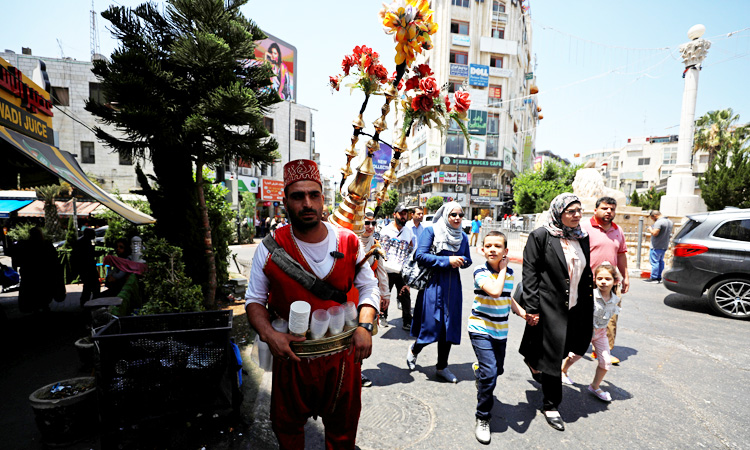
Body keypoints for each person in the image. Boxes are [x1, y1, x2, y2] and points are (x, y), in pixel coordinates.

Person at [244, 159, 379, 449]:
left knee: (343, 434)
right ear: (286, 202)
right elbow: (254, 301)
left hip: (343, 359)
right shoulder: (268, 249)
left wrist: (365, 326)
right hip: (291, 358)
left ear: (322, 199)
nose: (307, 203)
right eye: (298, 196)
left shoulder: (349, 241)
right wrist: (270, 336)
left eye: (313, 195)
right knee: (287, 431)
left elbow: (369, 286)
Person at [519, 193, 593, 431]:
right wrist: (532, 307)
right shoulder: (541, 236)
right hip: (548, 305)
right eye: (571, 211)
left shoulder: (582, 238)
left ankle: (532, 359)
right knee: (553, 356)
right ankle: (551, 405)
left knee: (568, 347)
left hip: (575, 306)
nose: (577, 215)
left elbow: (583, 272)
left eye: (579, 210)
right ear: (558, 212)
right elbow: (530, 273)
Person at [469, 231, 527, 444]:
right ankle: (482, 417)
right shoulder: (480, 270)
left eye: (497, 246)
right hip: (480, 327)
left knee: (496, 370)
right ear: (482, 250)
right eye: (488, 246)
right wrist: (502, 270)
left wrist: (521, 312)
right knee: (491, 372)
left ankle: (479, 371)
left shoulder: (509, 273)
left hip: (500, 331)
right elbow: (494, 290)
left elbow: (506, 295)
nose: (493, 249)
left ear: (505, 251)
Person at [406, 201, 472, 383]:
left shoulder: (463, 237)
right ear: (446, 215)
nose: (457, 218)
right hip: (433, 284)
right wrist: (447, 261)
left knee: (448, 328)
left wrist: (462, 261)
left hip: (453, 286)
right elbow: (421, 255)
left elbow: (468, 259)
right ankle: (415, 349)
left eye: (460, 215)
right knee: (431, 326)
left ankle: (442, 366)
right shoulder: (432, 231)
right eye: (453, 215)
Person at [561, 262, 620, 402]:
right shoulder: (590, 295)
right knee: (575, 355)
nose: (603, 282)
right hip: (584, 332)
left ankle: (595, 386)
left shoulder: (615, 299)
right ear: (595, 279)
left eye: (607, 279)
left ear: (615, 281)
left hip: (600, 334)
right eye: (600, 279)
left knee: (606, 362)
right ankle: (563, 371)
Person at [580, 197, 629, 365]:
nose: (609, 211)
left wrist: (625, 276)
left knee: (610, 317)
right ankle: (575, 344)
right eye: (605, 208)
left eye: (612, 209)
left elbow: (621, 254)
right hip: (587, 282)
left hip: (610, 283)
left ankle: (603, 351)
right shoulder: (584, 228)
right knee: (582, 315)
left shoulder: (618, 231)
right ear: (595, 210)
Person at [358, 210, 391, 387]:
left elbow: (381, 271)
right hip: (347, 297)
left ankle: (358, 372)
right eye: (366, 222)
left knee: (364, 335)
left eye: (373, 223)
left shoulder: (376, 245)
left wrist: (385, 294)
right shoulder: (348, 241)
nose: (370, 227)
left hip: (367, 298)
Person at [380, 204, 416, 331]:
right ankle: (383, 316)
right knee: (385, 293)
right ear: (394, 214)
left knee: (405, 295)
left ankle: (407, 321)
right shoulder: (386, 230)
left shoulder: (408, 231)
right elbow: (381, 250)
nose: (403, 217)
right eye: (401, 214)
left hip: (402, 271)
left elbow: (411, 247)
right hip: (387, 270)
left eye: (405, 214)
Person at [16, 227, 65, 313]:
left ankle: (37, 310)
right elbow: (54, 259)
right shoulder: (46, 244)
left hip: (31, 276)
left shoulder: (26, 245)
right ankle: (45, 309)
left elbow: (20, 259)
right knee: (45, 296)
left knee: (34, 296)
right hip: (45, 275)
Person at [72, 227, 101, 306]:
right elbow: (88, 255)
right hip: (87, 268)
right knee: (93, 286)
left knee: (88, 286)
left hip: (84, 268)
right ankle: (91, 302)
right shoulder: (84, 243)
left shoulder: (82, 242)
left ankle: (85, 302)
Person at [645, 210, 674, 283]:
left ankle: (654, 278)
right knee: (660, 261)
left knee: (655, 262)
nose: (653, 220)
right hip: (664, 245)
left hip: (656, 245)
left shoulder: (659, 222)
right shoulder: (669, 222)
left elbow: (655, 233)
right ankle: (659, 277)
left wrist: (650, 229)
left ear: (655, 216)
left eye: (652, 218)